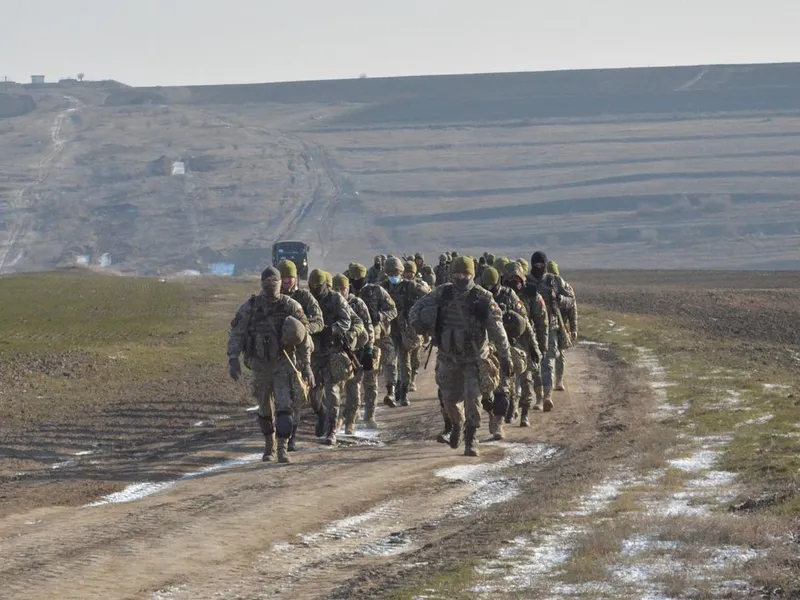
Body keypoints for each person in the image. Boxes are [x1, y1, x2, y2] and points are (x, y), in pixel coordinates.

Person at [409, 256, 512, 457]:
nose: (462, 277)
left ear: (473, 275)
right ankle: (457, 425)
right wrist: (418, 324)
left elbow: (498, 329)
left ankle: (471, 438)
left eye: (466, 274)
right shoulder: (442, 293)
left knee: (473, 399)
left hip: (474, 359)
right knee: (449, 400)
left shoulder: (483, 297)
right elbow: (416, 309)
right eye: (458, 274)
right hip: (448, 357)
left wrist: (506, 355)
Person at [227, 266, 314, 463]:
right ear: (261, 283)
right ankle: (269, 447)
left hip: (283, 363)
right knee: (264, 408)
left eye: (273, 281)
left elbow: (303, 337)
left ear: (279, 282)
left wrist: (306, 365)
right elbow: (237, 332)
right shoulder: (251, 306)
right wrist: (233, 358)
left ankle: (282, 448)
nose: (270, 285)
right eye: (266, 282)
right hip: (260, 365)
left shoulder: (291, 306)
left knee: (284, 407)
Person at [523, 251, 574, 412]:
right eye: (536, 265)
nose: (539, 267)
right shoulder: (525, 281)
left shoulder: (555, 281)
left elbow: (571, 300)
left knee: (548, 361)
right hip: (530, 329)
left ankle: (547, 396)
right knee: (533, 364)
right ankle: (538, 397)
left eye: (541, 265)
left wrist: (560, 299)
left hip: (551, 327)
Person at [348, 262, 398, 428]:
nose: (356, 280)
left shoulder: (376, 291)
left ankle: (369, 416)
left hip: (374, 339)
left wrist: (380, 315)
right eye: (353, 278)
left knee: (371, 380)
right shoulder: (345, 293)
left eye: (359, 278)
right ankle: (352, 418)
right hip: (353, 343)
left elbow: (393, 310)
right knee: (353, 381)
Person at [307, 269, 353, 446]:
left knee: (332, 392)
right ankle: (320, 414)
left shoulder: (336, 299)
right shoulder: (308, 299)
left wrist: (331, 330)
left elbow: (346, 321)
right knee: (312, 391)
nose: (315, 289)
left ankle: (332, 430)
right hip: (313, 353)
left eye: (318, 286)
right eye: (312, 286)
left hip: (332, 351)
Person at [380, 257, 428, 407]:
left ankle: (404, 392)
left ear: (401, 272)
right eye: (390, 272)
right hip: (388, 329)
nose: (393, 275)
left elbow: (427, 296)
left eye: (395, 272)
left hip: (405, 329)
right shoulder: (381, 288)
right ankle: (390, 391)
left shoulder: (411, 286)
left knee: (405, 362)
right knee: (389, 361)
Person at [333, 273, 374, 435]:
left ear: (347, 288)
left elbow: (368, 326)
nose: (339, 292)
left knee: (353, 390)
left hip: (354, 353)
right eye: (335, 288)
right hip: (335, 354)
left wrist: (369, 350)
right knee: (334, 392)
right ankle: (335, 422)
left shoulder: (357, 303)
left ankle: (350, 422)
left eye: (342, 288)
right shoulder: (331, 303)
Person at [546, 260, 579, 391]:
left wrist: (573, 328)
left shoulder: (565, 288)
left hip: (561, 323)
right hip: (551, 324)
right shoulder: (543, 287)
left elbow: (572, 308)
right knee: (552, 351)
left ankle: (559, 380)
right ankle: (552, 381)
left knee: (560, 352)